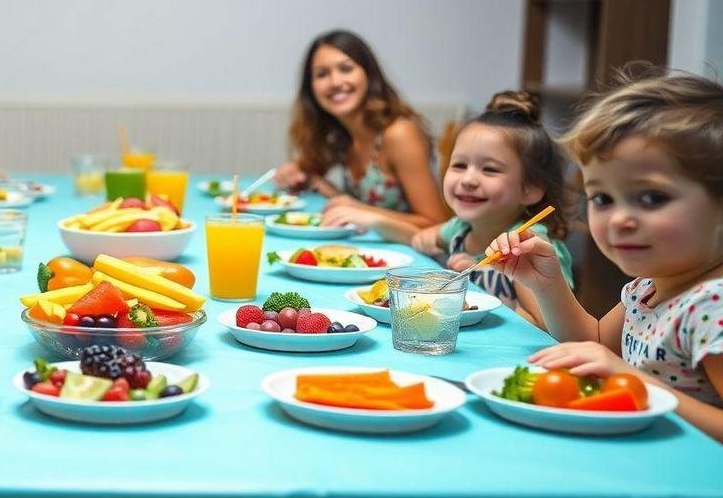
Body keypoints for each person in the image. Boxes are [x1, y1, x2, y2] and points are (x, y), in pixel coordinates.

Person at [484, 69, 723, 441]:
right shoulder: (648, 287)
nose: (619, 219)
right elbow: (591, 341)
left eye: (651, 198)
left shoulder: (712, 306)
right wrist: (548, 284)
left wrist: (631, 378)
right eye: (602, 198)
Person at [398, 91, 574, 328]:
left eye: (490, 169)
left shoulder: (527, 245)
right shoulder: (461, 228)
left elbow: (543, 329)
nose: (469, 179)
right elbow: (422, 238)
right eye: (459, 165)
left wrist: (479, 294)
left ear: (530, 189)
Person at [273, 30, 447, 229]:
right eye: (322, 74)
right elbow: (308, 166)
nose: (335, 82)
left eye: (346, 69)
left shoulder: (398, 134)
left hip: (414, 255)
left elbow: (436, 225)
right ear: (311, 88)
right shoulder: (342, 133)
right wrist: (297, 171)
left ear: (368, 74)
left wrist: (358, 210)